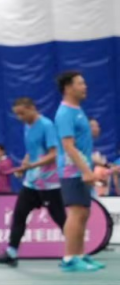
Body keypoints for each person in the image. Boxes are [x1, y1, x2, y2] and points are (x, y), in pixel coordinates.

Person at [4, 97, 67, 268]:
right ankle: (11, 253)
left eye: (22, 113)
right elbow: (31, 151)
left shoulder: (47, 125)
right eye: (17, 115)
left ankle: (75, 253)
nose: (20, 118)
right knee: (19, 215)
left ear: (32, 108)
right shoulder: (27, 126)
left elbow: (54, 154)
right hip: (31, 183)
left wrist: (33, 165)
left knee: (61, 219)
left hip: (49, 184)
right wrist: (24, 165)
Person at [55, 72, 105, 272]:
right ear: (68, 88)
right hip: (72, 171)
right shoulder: (65, 113)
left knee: (83, 213)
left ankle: (80, 255)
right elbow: (68, 146)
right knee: (76, 213)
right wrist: (85, 171)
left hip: (82, 169)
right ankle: (69, 258)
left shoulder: (77, 110)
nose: (85, 87)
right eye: (80, 83)